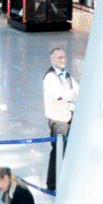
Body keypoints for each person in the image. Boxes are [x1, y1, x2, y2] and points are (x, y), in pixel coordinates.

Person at [43, 46, 78, 193]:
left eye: (64, 57)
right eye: (59, 57)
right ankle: (53, 183)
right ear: (52, 59)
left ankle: (64, 180)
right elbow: (61, 95)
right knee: (58, 151)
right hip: (57, 119)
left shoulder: (67, 74)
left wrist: (70, 94)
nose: (62, 60)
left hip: (69, 116)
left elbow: (77, 91)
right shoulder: (50, 77)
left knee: (68, 150)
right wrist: (70, 94)